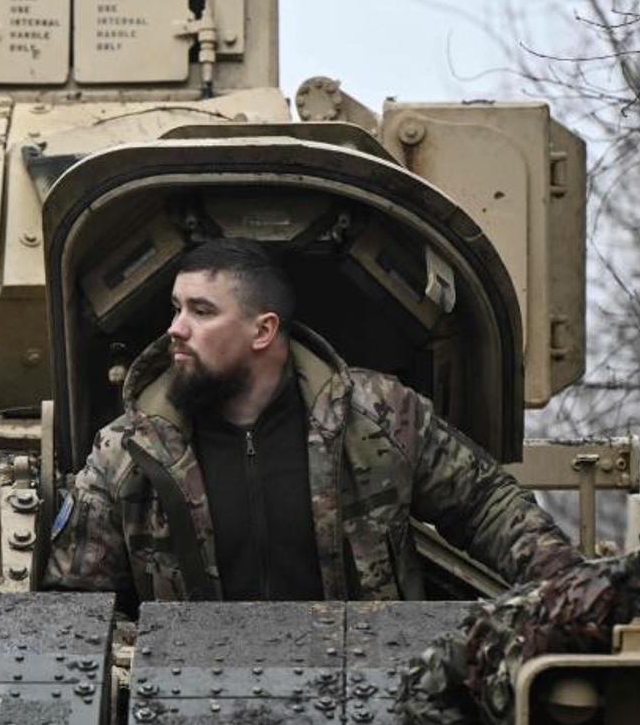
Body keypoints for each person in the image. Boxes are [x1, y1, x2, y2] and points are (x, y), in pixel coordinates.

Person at [43, 237, 580, 611]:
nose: (175, 330)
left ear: (263, 330)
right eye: (176, 308)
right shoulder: (129, 449)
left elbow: (484, 502)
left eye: (201, 312)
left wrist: (569, 586)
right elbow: (78, 602)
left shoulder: (377, 415)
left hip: (367, 700)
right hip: (188, 706)